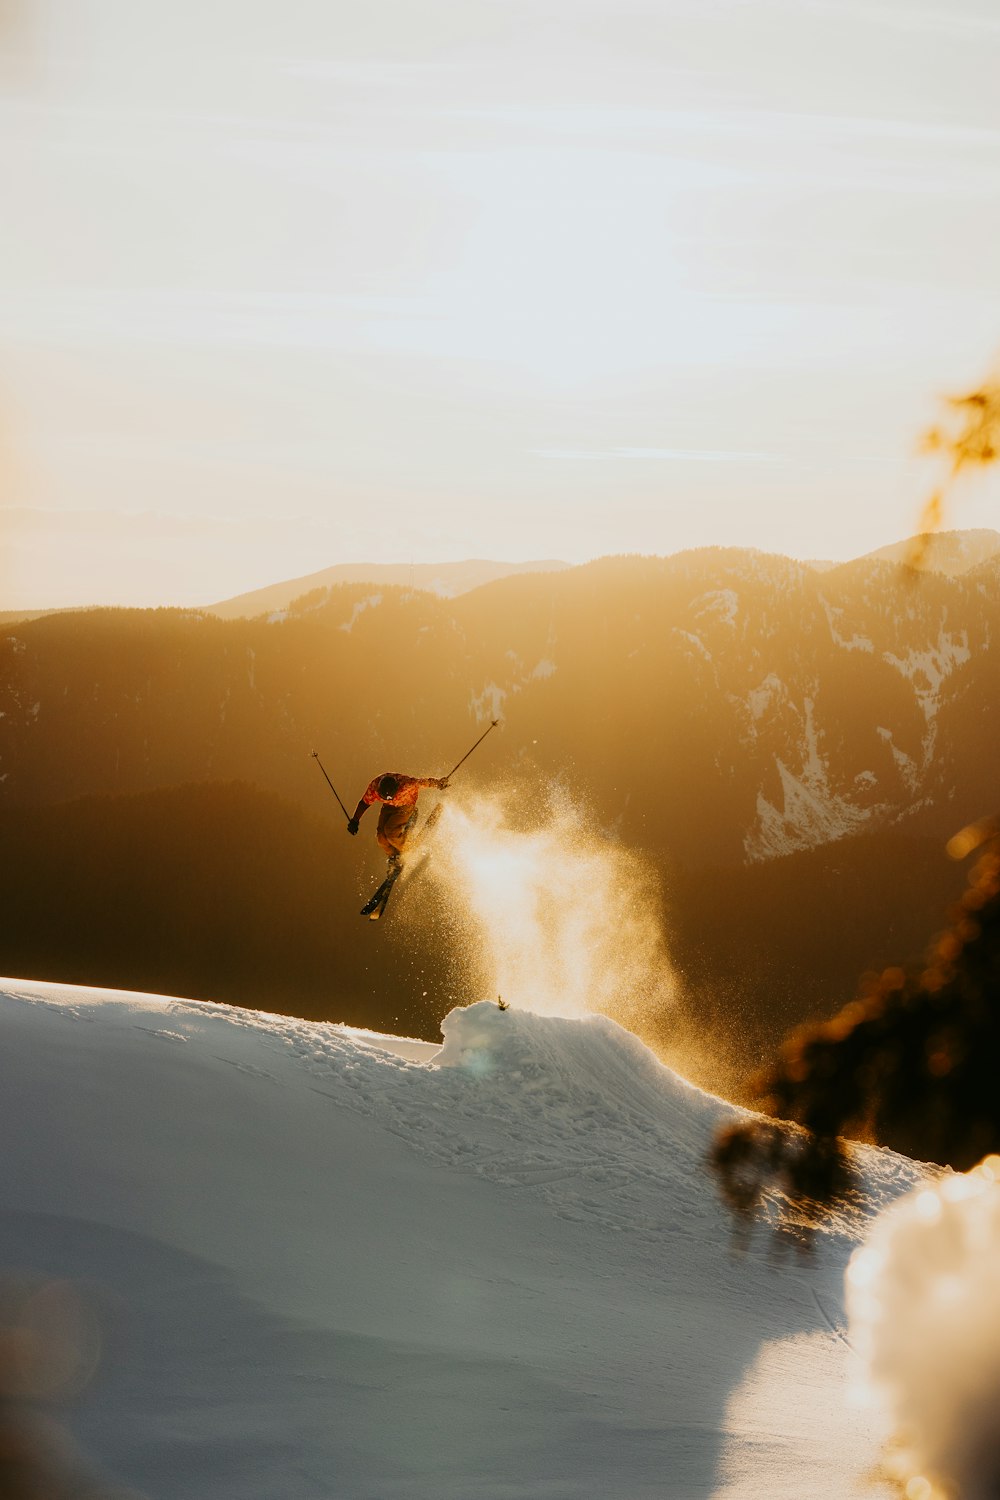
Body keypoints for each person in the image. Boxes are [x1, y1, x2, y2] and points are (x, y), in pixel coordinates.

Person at [347, 772, 449, 865]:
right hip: (388, 807)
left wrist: (438, 783)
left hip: (405, 806)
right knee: (381, 838)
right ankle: (393, 857)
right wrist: (355, 820)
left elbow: (421, 782)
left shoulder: (406, 785)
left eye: (392, 796)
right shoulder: (374, 788)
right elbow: (364, 803)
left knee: (391, 832)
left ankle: (408, 847)